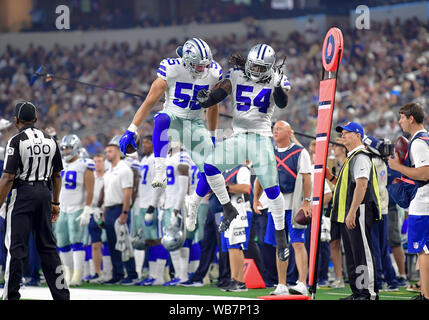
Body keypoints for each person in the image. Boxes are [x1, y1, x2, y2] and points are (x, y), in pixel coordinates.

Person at [193, 44, 291, 263]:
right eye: (253, 66)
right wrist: (205, 99)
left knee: (271, 188)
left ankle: (281, 235)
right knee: (210, 167)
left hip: (261, 137)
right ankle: (228, 208)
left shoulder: (277, 77)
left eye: (260, 67)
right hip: (238, 136)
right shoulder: (237, 74)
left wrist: (278, 90)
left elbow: (283, 103)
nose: (255, 70)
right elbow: (219, 94)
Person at [119, 38, 221, 214]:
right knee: (161, 119)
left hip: (195, 123)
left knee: (211, 169)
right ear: (187, 61)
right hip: (174, 117)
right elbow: (150, 101)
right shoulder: (172, 68)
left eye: (205, 65)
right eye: (198, 65)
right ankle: (160, 170)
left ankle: (193, 203)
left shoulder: (213, 73)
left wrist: (212, 135)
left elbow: (213, 106)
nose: (202, 69)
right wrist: (131, 129)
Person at [0, 101, 70, 300]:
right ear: (36, 119)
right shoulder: (50, 140)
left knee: (16, 248)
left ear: (16, 120)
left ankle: (11, 295)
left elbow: (8, 177)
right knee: (48, 248)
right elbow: (57, 175)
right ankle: (62, 296)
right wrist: (55, 203)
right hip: (44, 194)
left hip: (22, 194)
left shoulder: (15, 141)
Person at [254, 120, 312, 296]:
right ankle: (281, 284)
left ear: (290, 132)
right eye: (274, 129)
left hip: (294, 204)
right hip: (275, 206)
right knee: (280, 245)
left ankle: (302, 282)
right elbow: (261, 178)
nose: (275, 131)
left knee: (298, 243)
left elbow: (306, 178)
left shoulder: (300, 152)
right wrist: (256, 198)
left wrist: (307, 201)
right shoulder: (268, 154)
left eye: (279, 128)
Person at [328, 121, 381, 300]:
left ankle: (368, 293)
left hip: (358, 210)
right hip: (349, 212)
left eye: (347, 132)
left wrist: (352, 211)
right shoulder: (351, 157)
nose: (343, 134)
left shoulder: (360, 156)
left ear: (358, 135)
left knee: (362, 252)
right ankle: (358, 291)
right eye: (342, 132)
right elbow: (348, 187)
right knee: (352, 253)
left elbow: (362, 185)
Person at [387, 102, 429, 300]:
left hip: (424, 202)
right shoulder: (425, 138)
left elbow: (424, 173)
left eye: (402, 117)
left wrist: (397, 166)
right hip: (423, 201)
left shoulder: (419, 142)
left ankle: (426, 295)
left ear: (411, 118)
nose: (399, 121)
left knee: (423, 250)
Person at [55, 134, 95, 287]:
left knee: (76, 241)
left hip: (78, 207)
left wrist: (87, 209)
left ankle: (78, 275)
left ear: (76, 147)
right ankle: (67, 273)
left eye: (68, 148)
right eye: (63, 148)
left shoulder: (85, 163)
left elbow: (90, 189)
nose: (65, 151)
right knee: (62, 242)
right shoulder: (60, 165)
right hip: (62, 208)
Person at [363, 136, 399, 291]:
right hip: (382, 207)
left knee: (374, 247)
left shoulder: (371, 162)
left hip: (374, 207)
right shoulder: (381, 162)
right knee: (383, 247)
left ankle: (377, 280)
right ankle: (391, 280)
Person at [101, 138, 138, 284]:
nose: (107, 154)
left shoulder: (124, 169)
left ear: (117, 152)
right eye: (106, 152)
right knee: (112, 243)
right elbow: (106, 193)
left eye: (110, 151)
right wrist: (104, 212)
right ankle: (117, 273)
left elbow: (128, 192)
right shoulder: (109, 171)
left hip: (119, 209)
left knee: (124, 242)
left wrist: (125, 212)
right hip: (109, 209)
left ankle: (132, 274)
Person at [134, 136, 166, 286]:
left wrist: (153, 205)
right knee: (148, 240)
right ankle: (152, 275)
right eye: (144, 143)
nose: (144, 146)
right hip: (143, 203)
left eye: (148, 143)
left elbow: (159, 183)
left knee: (157, 239)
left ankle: (158, 276)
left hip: (152, 204)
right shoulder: (144, 160)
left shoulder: (156, 159)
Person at [219, 163, 253, 292]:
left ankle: (237, 280)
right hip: (228, 211)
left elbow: (245, 188)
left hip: (240, 210)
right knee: (231, 247)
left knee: (235, 246)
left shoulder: (242, 168)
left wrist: (225, 188)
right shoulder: (225, 170)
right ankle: (237, 280)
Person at [161, 144, 191, 286]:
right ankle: (178, 275)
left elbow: (183, 186)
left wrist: (176, 208)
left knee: (178, 239)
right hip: (169, 203)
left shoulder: (182, 155)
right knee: (171, 240)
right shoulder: (169, 157)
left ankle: (183, 275)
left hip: (177, 204)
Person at [87, 153, 112, 283]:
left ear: (104, 162)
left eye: (100, 161)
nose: (97, 164)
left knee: (108, 242)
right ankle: (97, 272)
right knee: (95, 243)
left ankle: (108, 272)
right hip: (93, 211)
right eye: (95, 161)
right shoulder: (91, 177)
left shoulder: (109, 176)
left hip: (108, 210)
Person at [325, 138, 346, 289]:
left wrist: (330, 177)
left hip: (347, 207)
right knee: (334, 243)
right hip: (334, 207)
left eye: (336, 145)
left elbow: (342, 185)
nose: (333, 147)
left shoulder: (348, 161)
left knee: (351, 244)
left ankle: (355, 276)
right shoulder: (334, 163)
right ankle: (339, 277)